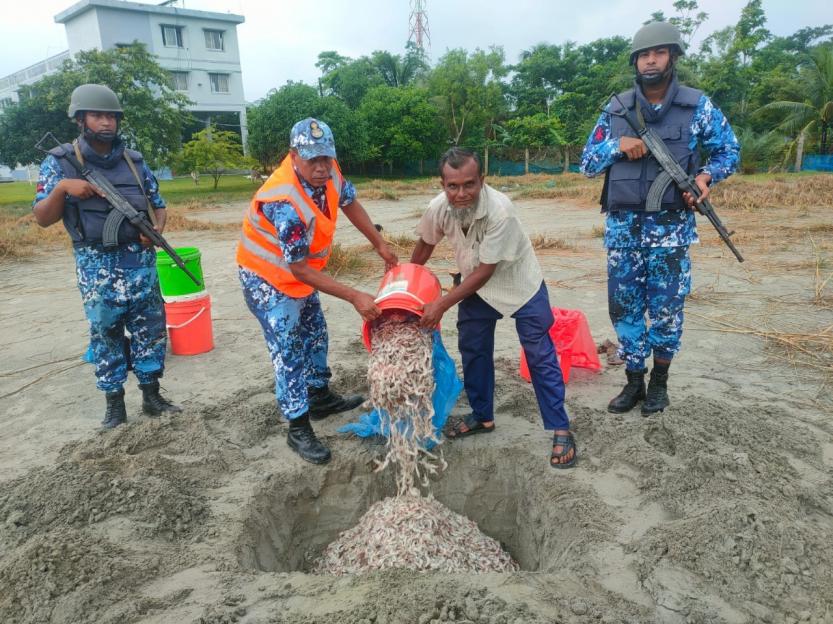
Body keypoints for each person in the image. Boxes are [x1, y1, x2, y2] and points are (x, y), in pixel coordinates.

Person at [580, 21, 739, 416]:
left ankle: (660, 384)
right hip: (622, 231)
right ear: (635, 62)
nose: (651, 60)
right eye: (643, 55)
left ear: (673, 57)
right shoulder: (616, 109)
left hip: (670, 229)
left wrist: (704, 177)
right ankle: (634, 381)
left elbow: (729, 151)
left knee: (667, 308)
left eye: (659, 53)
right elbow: (586, 163)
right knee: (625, 307)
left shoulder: (696, 106)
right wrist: (617, 145)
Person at [237, 118, 398, 465]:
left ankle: (320, 396)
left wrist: (380, 244)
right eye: (313, 160)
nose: (322, 167)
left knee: (315, 332)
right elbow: (298, 267)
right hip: (266, 278)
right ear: (293, 155)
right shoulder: (283, 200)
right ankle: (297, 426)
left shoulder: (331, 173)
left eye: (327, 157)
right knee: (289, 347)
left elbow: (349, 202)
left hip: (298, 276)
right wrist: (355, 295)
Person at [410, 147, 576, 469]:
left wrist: (442, 304)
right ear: (442, 184)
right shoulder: (438, 208)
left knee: (539, 354)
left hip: (518, 284)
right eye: (452, 186)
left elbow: (486, 271)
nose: (461, 194)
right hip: (476, 286)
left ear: (482, 180)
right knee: (473, 349)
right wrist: (408, 280)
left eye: (469, 184)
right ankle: (482, 416)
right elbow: (426, 243)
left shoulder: (501, 211)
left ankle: (561, 428)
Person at [32, 83, 180, 430]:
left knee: (151, 330)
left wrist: (153, 229)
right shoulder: (60, 162)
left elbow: (158, 206)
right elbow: (42, 217)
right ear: (80, 119)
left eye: (112, 116)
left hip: (140, 262)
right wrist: (62, 188)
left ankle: (152, 395)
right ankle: (115, 404)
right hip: (97, 264)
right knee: (106, 333)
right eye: (98, 115)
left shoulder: (134, 161)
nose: (106, 122)